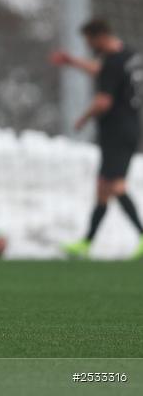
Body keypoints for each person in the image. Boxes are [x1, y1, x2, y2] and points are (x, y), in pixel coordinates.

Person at [52, 19, 143, 259]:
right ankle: (86, 243)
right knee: (103, 187)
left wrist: (82, 119)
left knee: (115, 185)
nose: (90, 46)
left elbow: (104, 101)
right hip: (129, 127)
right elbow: (100, 70)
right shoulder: (128, 54)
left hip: (116, 131)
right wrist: (72, 62)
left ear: (100, 36)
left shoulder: (112, 62)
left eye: (90, 41)